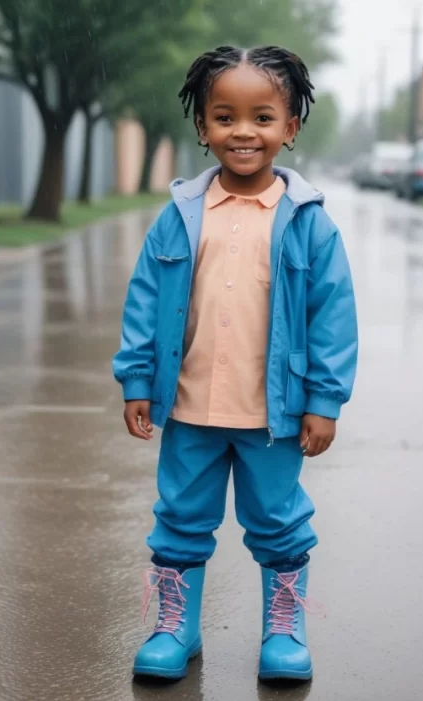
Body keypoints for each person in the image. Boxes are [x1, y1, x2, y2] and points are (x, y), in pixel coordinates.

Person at [111, 45, 358, 683]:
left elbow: (333, 318)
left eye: (262, 117)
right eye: (225, 117)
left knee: (279, 520)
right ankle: (175, 625)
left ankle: (284, 625)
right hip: (190, 405)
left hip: (271, 415)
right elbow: (144, 301)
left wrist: (324, 401)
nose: (242, 131)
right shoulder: (179, 218)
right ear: (202, 127)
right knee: (180, 519)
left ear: (290, 127)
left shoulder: (309, 224)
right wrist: (137, 379)